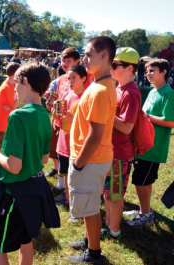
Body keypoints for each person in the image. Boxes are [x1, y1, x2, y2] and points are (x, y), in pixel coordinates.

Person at [0, 61, 60, 265]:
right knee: (25, 240)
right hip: (35, 189)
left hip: (14, 193)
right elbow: (44, 159)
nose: (14, 88)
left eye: (16, 84)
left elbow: (14, 167)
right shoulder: (45, 114)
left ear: (25, 82)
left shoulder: (17, 116)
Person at [67, 36, 117, 264]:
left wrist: (78, 163)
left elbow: (96, 135)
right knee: (89, 204)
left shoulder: (99, 90)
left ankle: (94, 254)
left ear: (104, 55)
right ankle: (89, 242)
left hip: (90, 160)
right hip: (92, 159)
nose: (84, 59)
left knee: (89, 207)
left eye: (88, 54)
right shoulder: (100, 84)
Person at [126, 59, 174, 228]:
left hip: (153, 148)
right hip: (142, 145)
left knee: (141, 181)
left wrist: (144, 116)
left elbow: (170, 122)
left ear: (164, 72)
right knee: (144, 180)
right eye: (146, 71)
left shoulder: (169, 93)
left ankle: (146, 215)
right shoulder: (153, 91)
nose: (147, 74)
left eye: (152, 70)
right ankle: (143, 209)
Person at [101, 48, 141, 239]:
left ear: (129, 68)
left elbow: (126, 127)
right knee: (107, 193)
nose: (112, 68)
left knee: (115, 194)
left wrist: (107, 113)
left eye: (115, 65)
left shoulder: (131, 92)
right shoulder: (118, 88)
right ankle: (108, 225)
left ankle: (114, 230)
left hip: (120, 154)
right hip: (110, 151)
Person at [45, 48, 92, 179]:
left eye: (68, 61)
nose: (64, 63)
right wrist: (51, 100)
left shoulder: (84, 78)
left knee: (69, 157)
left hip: (75, 127)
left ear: (77, 61)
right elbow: (62, 97)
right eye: (62, 60)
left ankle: (65, 188)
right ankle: (60, 181)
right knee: (57, 150)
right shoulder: (61, 78)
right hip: (60, 120)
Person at [52, 65, 87, 224]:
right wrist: (55, 113)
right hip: (63, 142)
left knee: (77, 180)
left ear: (84, 79)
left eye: (74, 78)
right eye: (69, 78)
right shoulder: (67, 93)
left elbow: (90, 125)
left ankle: (79, 209)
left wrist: (75, 119)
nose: (70, 81)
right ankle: (67, 199)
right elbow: (60, 117)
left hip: (77, 146)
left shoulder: (86, 98)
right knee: (65, 175)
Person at [0, 62, 21, 151]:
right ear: (16, 73)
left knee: (7, 145)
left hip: (7, 120)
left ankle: (2, 163)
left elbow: (14, 104)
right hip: (2, 121)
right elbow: (14, 104)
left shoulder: (13, 84)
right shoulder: (7, 87)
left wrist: (13, 105)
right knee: (2, 146)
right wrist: (19, 99)